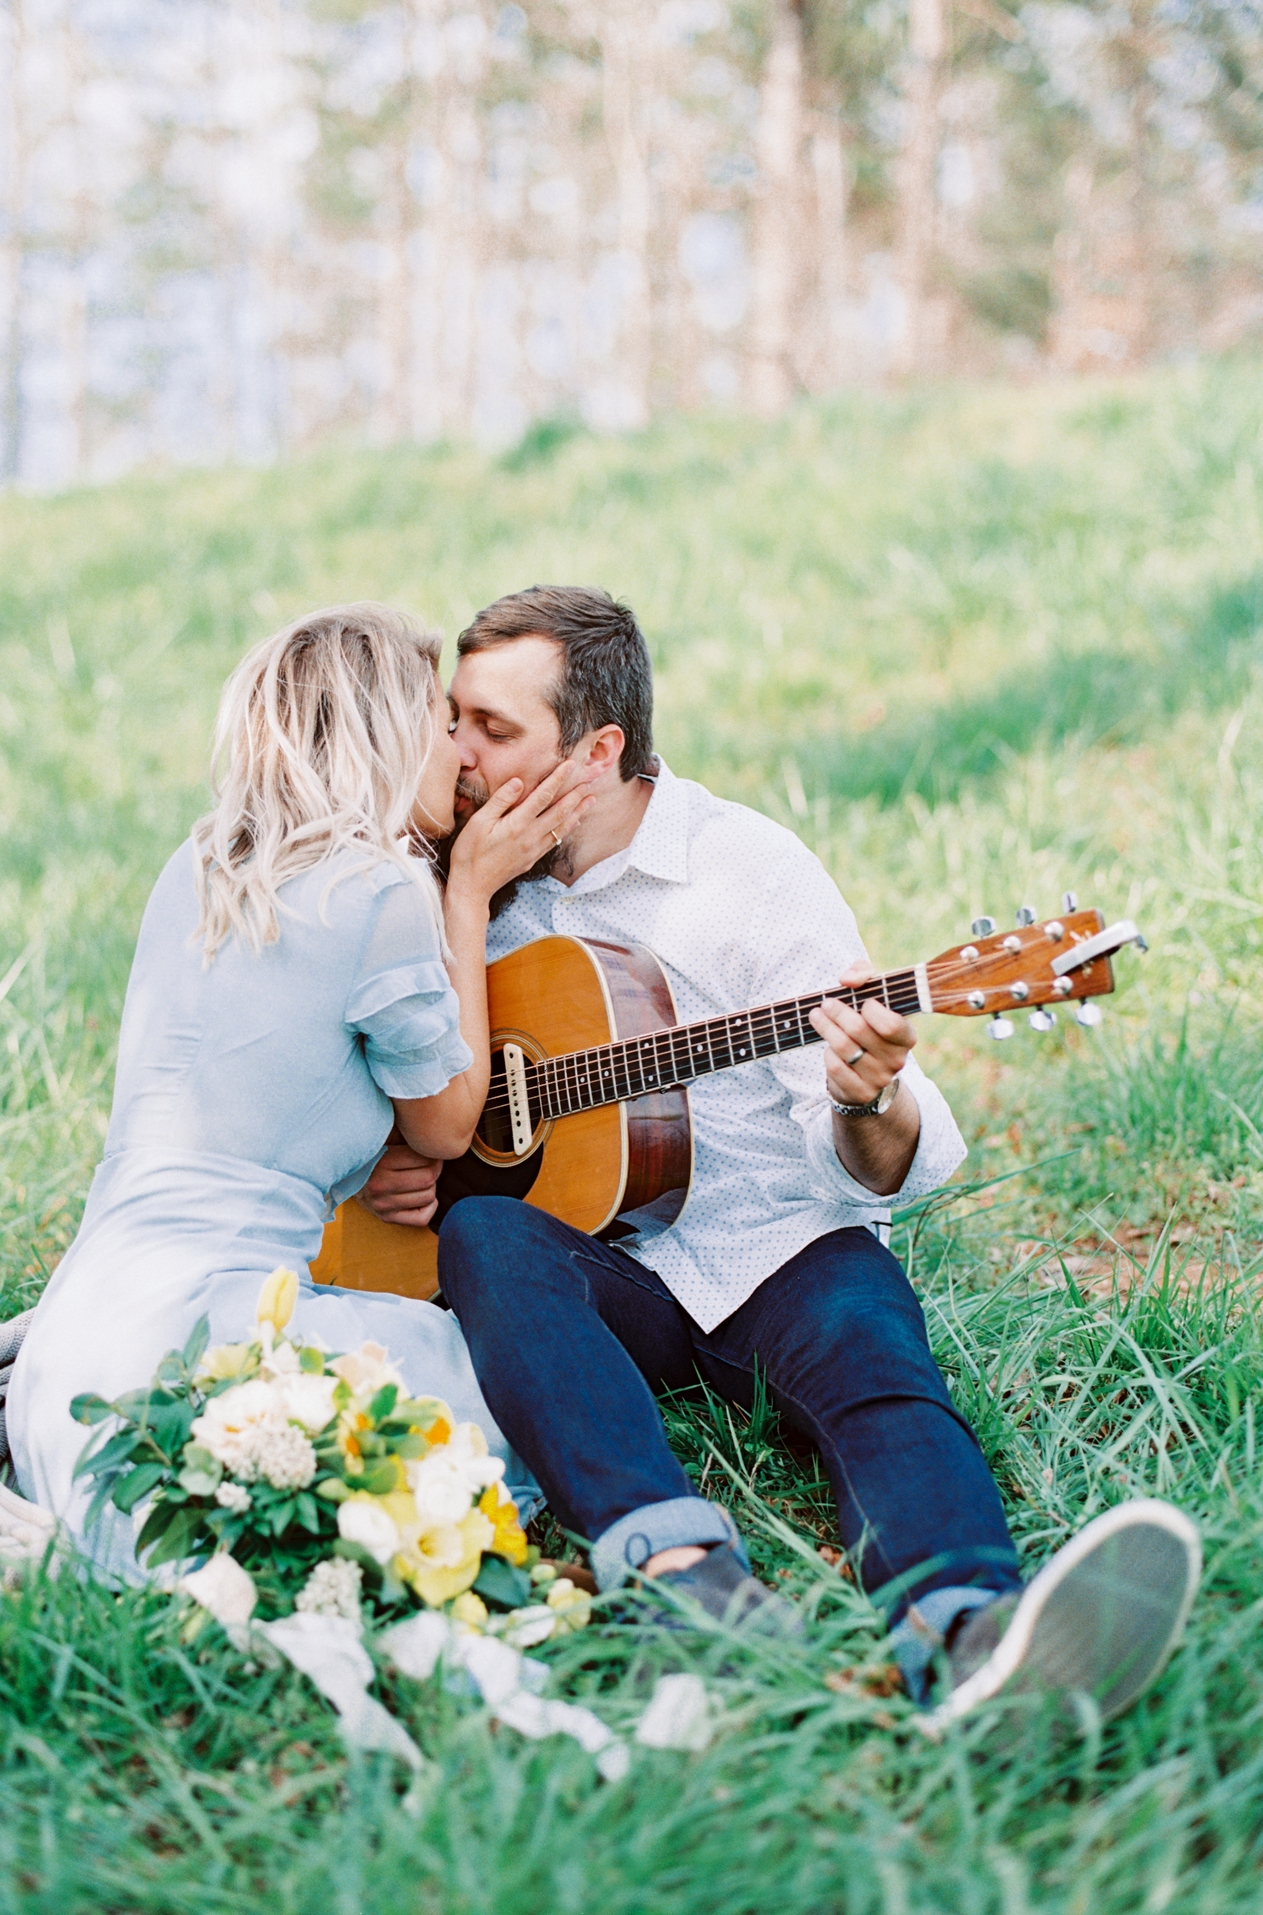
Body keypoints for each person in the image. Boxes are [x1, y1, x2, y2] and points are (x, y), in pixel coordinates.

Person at [359, 586, 1201, 1722]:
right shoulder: (455, 873)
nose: (456, 753)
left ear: (598, 749)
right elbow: (387, 1064)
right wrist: (408, 1160)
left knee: (874, 1361)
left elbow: (874, 1147)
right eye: (455, 718)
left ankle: (968, 1630)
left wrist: (869, 1097)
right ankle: (680, 1578)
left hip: (777, 1242)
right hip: (609, 1271)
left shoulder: (744, 872)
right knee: (486, 1231)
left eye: (493, 730)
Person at [6, 603, 594, 1583]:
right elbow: (449, 1121)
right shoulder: (384, 892)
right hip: (207, 1328)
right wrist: (465, 896)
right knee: (521, 1388)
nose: (459, 749)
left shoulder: (195, 867)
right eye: (437, 720)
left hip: (72, 1357)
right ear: (383, 731)